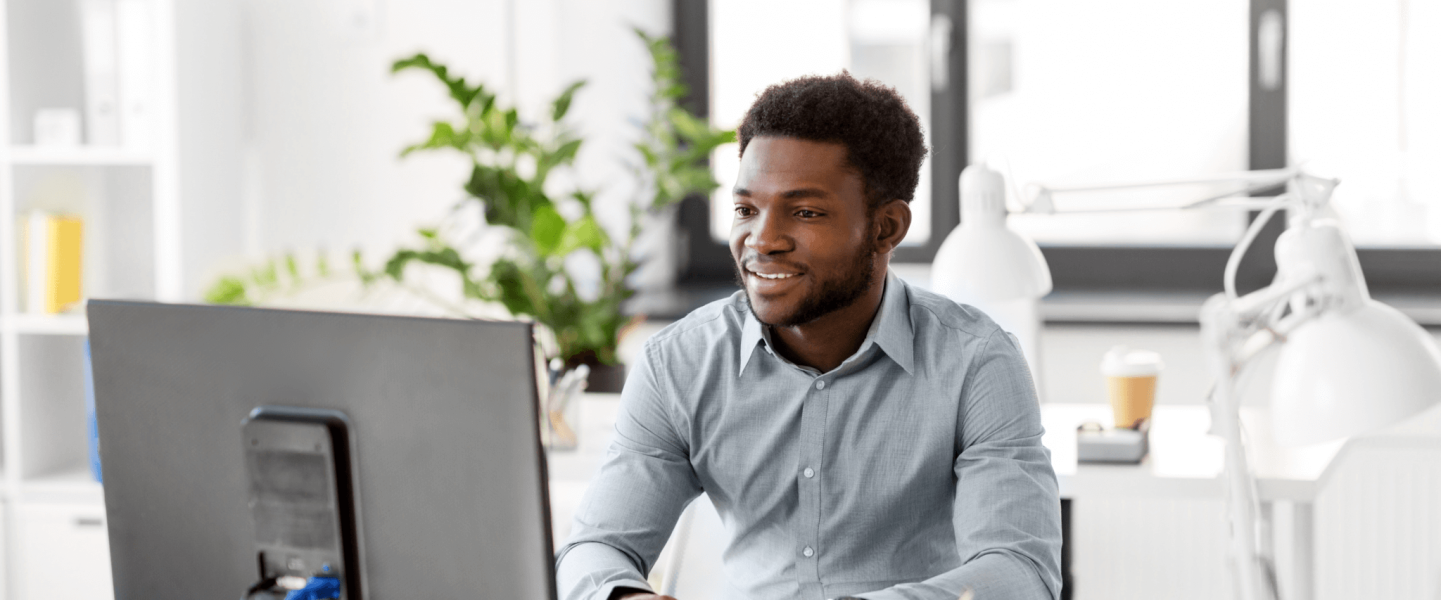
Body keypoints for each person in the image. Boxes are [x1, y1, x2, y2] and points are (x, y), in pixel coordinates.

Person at [555, 72, 1061, 600]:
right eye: (746, 210)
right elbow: (596, 547)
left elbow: (1019, 570)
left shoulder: (977, 362)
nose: (763, 240)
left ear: (887, 228)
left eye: (805, 212)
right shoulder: (679, 363)